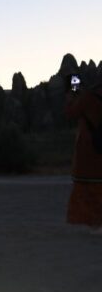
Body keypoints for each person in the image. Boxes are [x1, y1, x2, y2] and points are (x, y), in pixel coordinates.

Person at [64, 77, 102, 233]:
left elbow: (70, 112)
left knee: (90, 188)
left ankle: (96, 223)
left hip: (90, 150)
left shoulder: (87, 98)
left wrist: (71, 97)